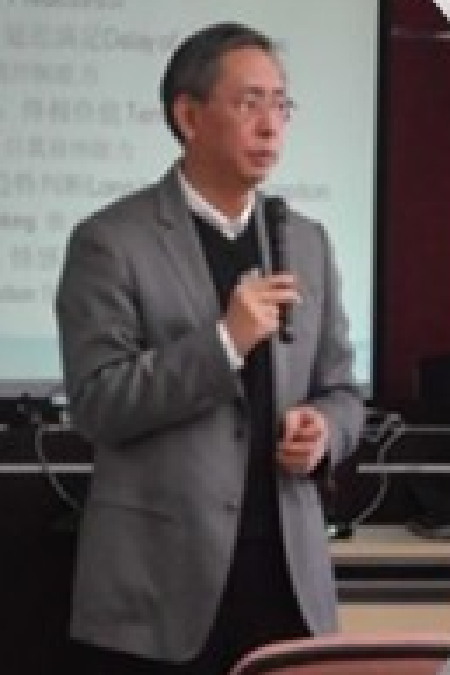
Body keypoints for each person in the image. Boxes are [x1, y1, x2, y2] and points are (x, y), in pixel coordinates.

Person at [56, 21, 365, 675]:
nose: (270, 125)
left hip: (285, 580)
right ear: (189, 116)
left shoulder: (306, 240)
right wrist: (225, 342)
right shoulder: (110, 241)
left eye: (280, 104)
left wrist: (323, 431)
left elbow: (342, 390)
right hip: (161, 588)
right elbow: (98, 403)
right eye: (249, 103)